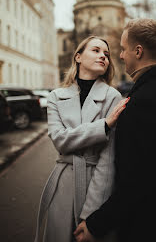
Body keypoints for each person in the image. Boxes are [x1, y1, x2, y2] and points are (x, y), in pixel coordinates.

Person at [74, 19, 156, 242]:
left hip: (150, 225)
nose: (120, 56)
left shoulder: (145, 99)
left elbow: (137, 179)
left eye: (124, 49)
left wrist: (97, 224)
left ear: (138, 51)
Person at [34, 36, 129, 242]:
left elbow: (108, 160)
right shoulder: (56, 96)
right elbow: (60, 140)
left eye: (106, 54)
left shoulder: (113, 97)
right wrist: (103, 126)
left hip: (97, 188)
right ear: (78, 57)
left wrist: (91, 217)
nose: (103, 56)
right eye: (96, 50)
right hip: (63, 187)